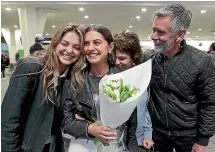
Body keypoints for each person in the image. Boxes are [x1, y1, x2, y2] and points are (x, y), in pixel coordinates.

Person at [1, 23, 85, 152]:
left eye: (76, 47)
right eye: (65, 44)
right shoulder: (30, 67)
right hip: (27, 146)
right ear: (56, 43)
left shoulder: (72, 76)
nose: (69, 50)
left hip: (52, 145)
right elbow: (9, 119)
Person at [142, 4, 215, 152]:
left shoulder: (203, 61)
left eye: (161, 32)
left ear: (180, 34)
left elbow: (210, 103)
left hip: (188, 135)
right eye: (153, 30)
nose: (153, 36)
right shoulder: (147, 58)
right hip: (157, 133)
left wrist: (203, 140)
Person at [62, 24, 138, 152]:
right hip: (83, 145)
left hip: (116, 146)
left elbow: (131, 125)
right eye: (86, 44)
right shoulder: (75, 79)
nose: (90, 48)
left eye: (96, 43)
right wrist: (89, 128)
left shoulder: (123, 79)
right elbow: (65, 120)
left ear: (110, 47)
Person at [113, 30, 154, 151]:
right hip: (114, 141)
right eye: (114, 57)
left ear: (134, 58)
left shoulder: (142, 78)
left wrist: (148, 134)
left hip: (138, 140)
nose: (116, 62)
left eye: (122, 58)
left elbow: (145, 108)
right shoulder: (109, 78)